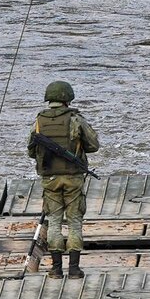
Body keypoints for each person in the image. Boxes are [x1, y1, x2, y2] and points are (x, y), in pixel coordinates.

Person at [27, 80, 99, 279]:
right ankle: (74, 269)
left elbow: (31, 151)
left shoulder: (39, 121)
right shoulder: (76, 119)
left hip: (50, 179)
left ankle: (56, 269)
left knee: (54, 221)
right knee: (75, 222)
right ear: (68, 98)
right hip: (73, 178)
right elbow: (93, 145)